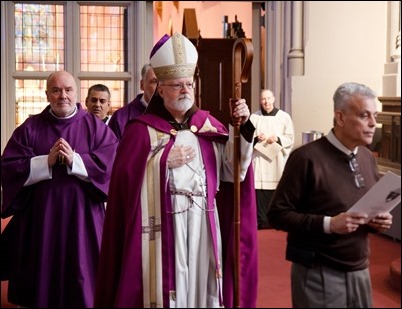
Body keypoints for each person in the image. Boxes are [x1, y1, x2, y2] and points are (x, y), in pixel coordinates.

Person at [94, 32, 258, 308]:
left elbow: (234, 172)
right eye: (176, 85)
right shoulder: (140, 131)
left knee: (201, 285)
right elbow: (123, 183)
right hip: (160, 227)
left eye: (188, 84)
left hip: (204, 224)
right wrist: (160, 162)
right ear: (159, 89)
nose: (185, 90)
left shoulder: (209, 126)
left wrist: (242, 127)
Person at [267, 82, 393, 308]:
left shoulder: (366, 157)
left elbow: (364, 208)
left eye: (375, 115)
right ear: (340, 117)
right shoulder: (306, 158)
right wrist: (329, 224)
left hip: (360, 270)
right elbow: (277, 214)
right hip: (319, 272)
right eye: (365, 116)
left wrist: (378, 221)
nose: (374, 123)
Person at [1, 70, 119, 308]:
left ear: (76, 94)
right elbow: (9, 167)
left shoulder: (96, 129)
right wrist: (46, 161)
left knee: (83, 282)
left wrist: (76, 161)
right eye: (55, 90)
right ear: (47, 94)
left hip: (83, 219)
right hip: (41, 219)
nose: (62, 95)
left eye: (67, 90)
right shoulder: (30, 128)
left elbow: (111, 166)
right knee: (41, 283)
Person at [250, 89, 294, 229]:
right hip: (260, 160)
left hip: (276, 160)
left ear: (274, 99)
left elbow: (290, 138)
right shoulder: (254, 118)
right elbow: (246, 139)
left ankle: (275, 221)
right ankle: (261, 222)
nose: (266, 102)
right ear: (260, 100)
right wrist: (257, 138)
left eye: (269, 98)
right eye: (263, 99)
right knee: (260, 191)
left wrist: (278, 138)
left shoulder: (284, 117)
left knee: (276, 190)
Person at [108, 63, 158, 140]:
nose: (160, 87)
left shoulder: (176, 115)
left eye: (165, 83)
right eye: (154, 81)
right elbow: (112, 150)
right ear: (142, 84)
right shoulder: (120, 118)